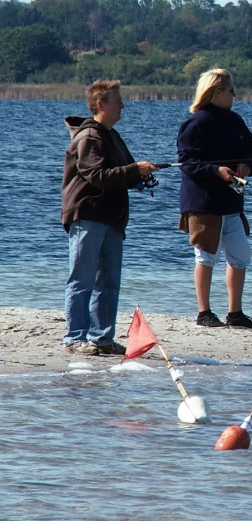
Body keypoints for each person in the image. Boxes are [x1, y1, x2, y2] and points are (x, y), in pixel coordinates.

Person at [61, 80, 159, 355]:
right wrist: (134, 170)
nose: (123, 105)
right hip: (88, 215)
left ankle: (102, 337)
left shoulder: (112, 136)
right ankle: (74, 338)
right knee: (82, 279)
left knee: (109, 281)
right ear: (101, 104)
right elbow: (97, 176)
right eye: (118, 101)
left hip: (112, 218)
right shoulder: (90, 137)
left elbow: (123, 174)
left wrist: (140, 175)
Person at [177, 68, 252, 329]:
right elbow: (187, 163)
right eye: (230, 90)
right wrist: (216, 170)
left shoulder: (235, 120)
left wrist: (247, 166)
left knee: (241, 254)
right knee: (206, 256)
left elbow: (251, 150)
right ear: (216, 92)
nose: (234, 94)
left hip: (231, 202)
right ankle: (204, 313)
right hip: (204, 204)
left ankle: (235, 313)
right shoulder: (197, 123)